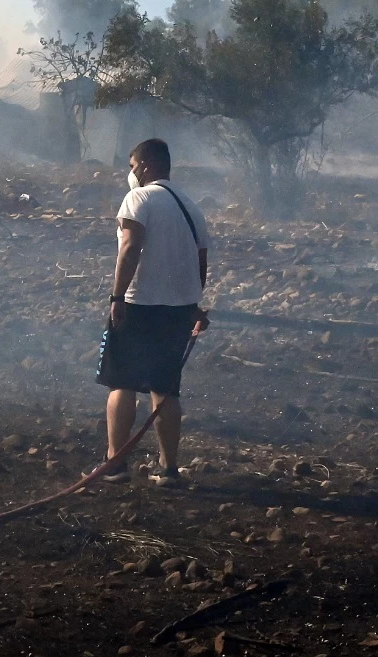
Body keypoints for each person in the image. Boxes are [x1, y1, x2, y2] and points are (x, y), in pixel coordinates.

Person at [96, 139, 210, 486]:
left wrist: (117, 297)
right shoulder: (192, 208)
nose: (131, 174)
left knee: (122, 383)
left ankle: (115, 464)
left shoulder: (139, 198)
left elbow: (130, 248)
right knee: (166, 389)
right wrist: (192, 305)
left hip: (138, 305)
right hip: (178, 311)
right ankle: (169, 469)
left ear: (145, 165)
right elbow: (200, 263)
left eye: (132, 167)